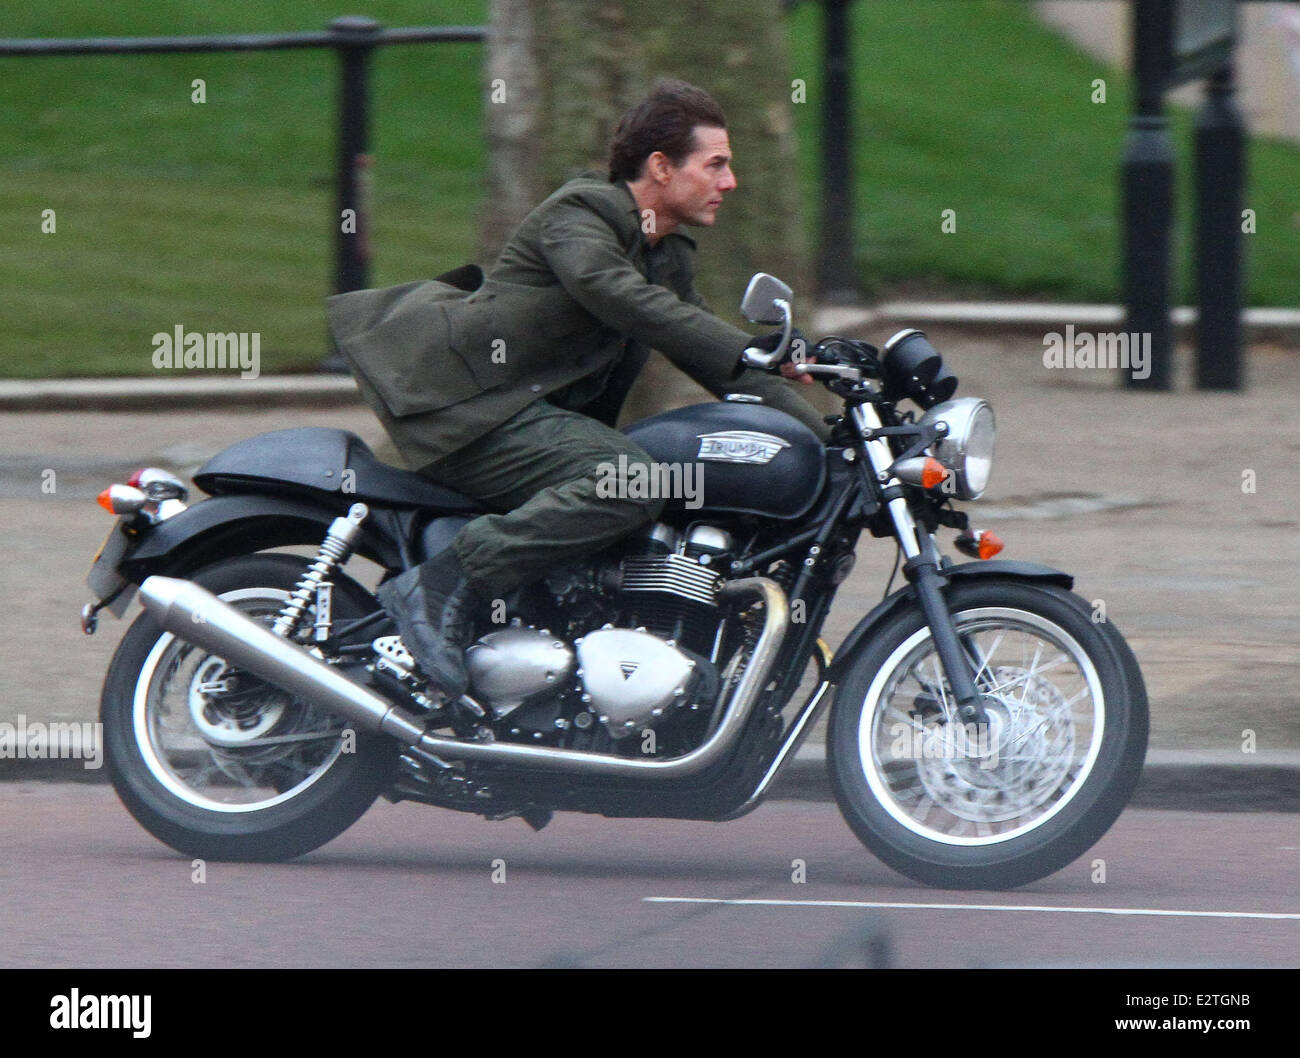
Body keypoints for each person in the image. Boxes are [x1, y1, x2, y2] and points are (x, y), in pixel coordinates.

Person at [327, 78, 826, 698]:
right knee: (629, 480)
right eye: (717, 165)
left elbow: (715, 361)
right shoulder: (582, 213)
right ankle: (440, 585)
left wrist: (829, 440)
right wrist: (756, 347)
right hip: (469, 413)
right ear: (662, 167)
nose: (730, 182)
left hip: (531, 422)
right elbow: (616, 294)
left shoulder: (665, 254)